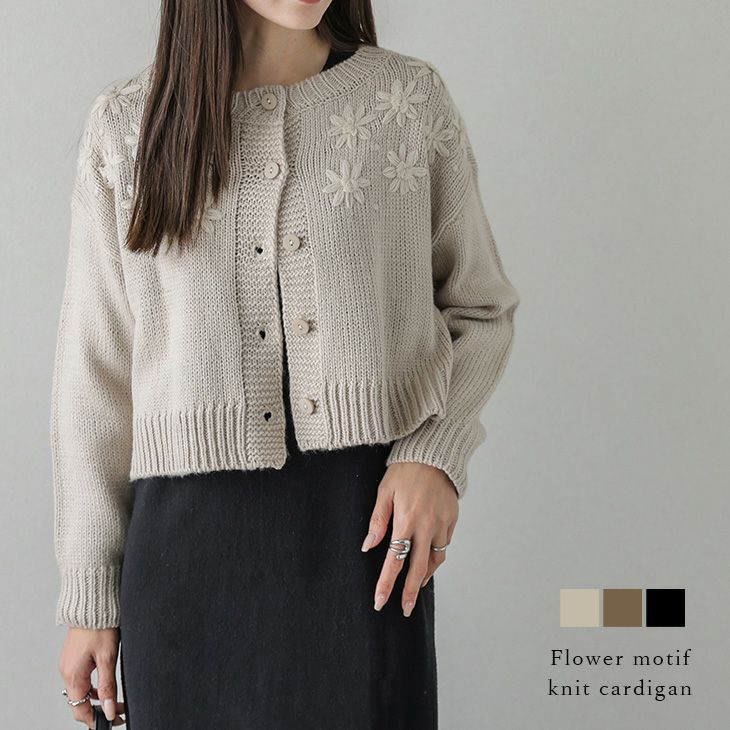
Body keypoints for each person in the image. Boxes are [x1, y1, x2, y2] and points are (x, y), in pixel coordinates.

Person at [52, 1, 520, 727]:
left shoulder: (405, 102)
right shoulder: (124, 128)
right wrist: (90, 597)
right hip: (182, 565)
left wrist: (435, 453)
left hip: (363, 539)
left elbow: (481, 309)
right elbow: (95, 377)